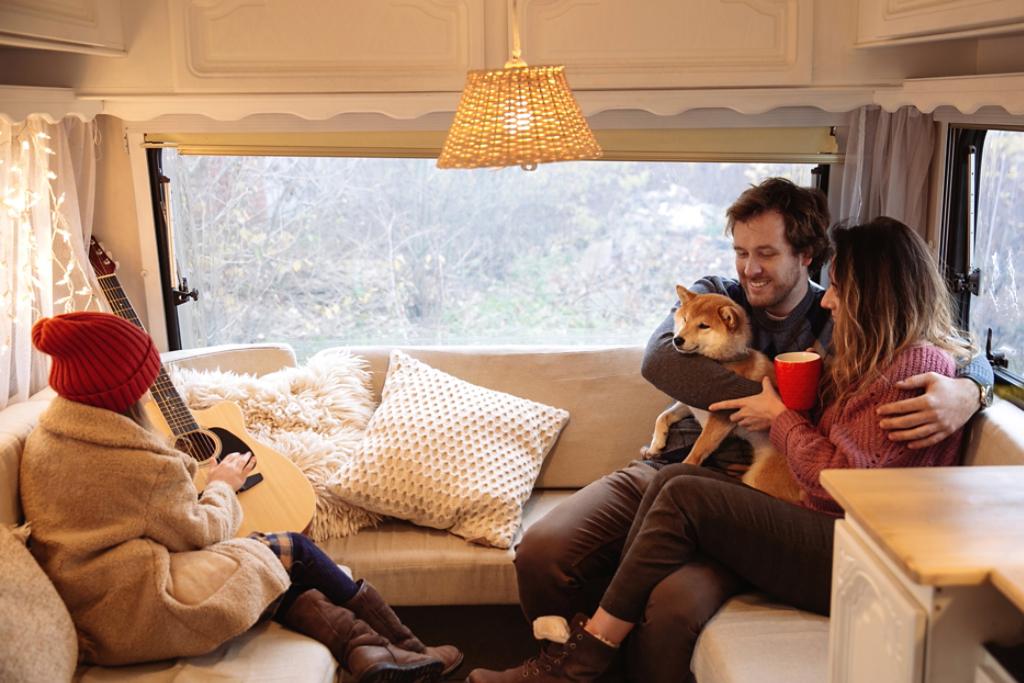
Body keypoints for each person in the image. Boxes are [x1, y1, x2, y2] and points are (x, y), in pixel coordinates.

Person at [480, 179, 994, 683]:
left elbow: (945, 353)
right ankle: (575, 656)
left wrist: (971, 389)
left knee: (672, 591)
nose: (749, 268)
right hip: (687, 467)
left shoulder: (849, 331)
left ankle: (586, 657)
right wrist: (763, 399)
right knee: (546, 550)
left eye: (766, 253)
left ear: (808, 255)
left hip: (774, 483)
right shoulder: (718, 296)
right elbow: (662, 360)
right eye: (740, 251)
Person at [19, 311, 462, 683]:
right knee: (294, 550)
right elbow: (201, 531)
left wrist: (192, 478)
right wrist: (221, 486)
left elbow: (130, 508)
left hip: (90, 599)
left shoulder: (50, 439)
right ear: (125, 388)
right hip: (135, 608)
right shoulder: (139, 463)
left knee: (269, 568)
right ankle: (406, 646)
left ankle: (370, 654)